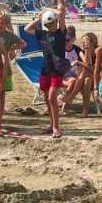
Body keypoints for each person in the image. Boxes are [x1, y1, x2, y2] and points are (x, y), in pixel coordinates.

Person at [25, 7, 67, 138]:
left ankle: (56, 127)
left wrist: (47, 9)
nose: (50, 26)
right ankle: (51, 124)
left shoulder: (61, 33)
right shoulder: (42, 34)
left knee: (52, 98)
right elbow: (27, 29)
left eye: (52, 23)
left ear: (56, 22)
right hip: (45, 69)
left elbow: (61, 14)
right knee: (47, 99)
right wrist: (39, 18)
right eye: (48, 24)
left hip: (57, 70)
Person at [0, 12, 25, 116]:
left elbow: (23, 44)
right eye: (1, 23)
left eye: (6, 23)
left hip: (4, 66)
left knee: (2, 90)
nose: (3, 26)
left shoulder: (9, 35)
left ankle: (1, 110)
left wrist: (11, 48)